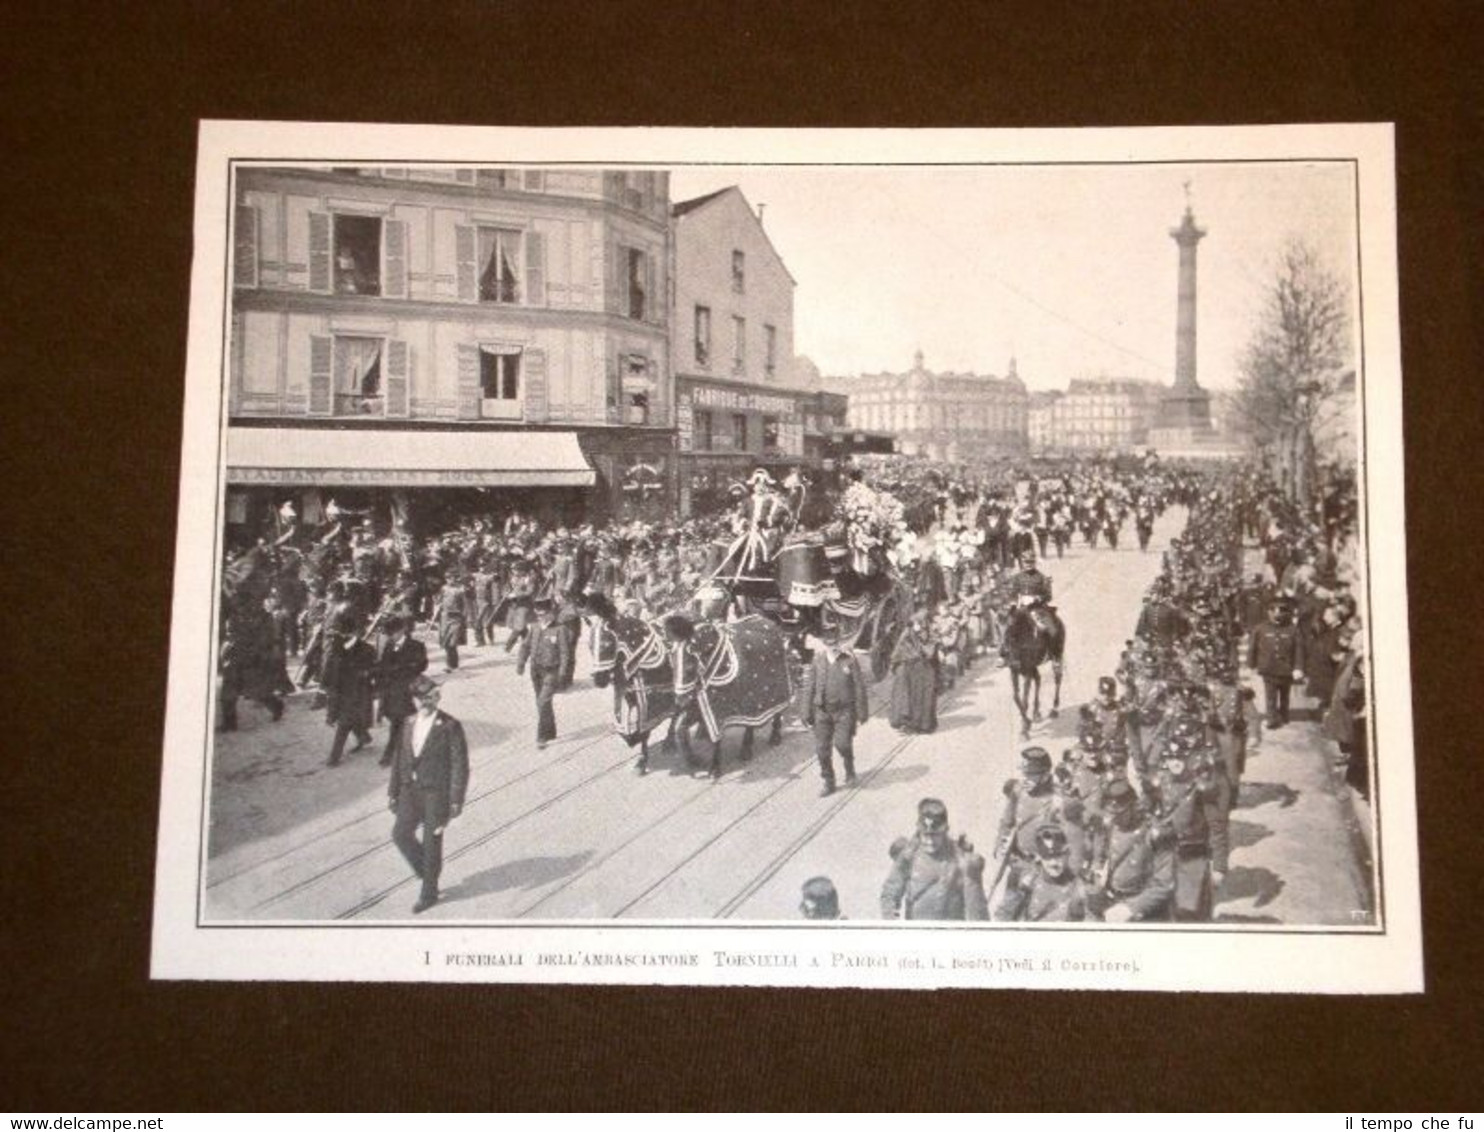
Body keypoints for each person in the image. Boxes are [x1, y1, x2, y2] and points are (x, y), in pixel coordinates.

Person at [388, 675, 469, 914]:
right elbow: (399, 758)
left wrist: (455, 799)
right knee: (400, 834)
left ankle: (429, 892)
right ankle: (427, 871)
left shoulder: (450, 726)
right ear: (415, 700)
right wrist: (393, 791)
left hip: (436, 793)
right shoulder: (408, 722)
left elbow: (459, 765)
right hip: (409, 791)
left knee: (432, 842)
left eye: (433, 696)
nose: (430, 702)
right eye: (424, 699)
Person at [880, 798, 989, 921]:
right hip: (917, 932)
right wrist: (892, 922)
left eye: (935, 835)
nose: (930, 841)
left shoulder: (960, 858)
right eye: (925, 835)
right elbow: (890, 893)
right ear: (919, 832)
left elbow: (975, 907)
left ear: (945, 832)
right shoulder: (908, 856)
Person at [1086, 779, 1173, 922]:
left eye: (1120, 813)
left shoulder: (1155, 833)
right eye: (1110, 812)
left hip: (1144, 910)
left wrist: (1132, 908)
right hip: (1111, 901)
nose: (1114, 819)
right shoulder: (1109, 826)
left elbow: (1164, 885)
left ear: (1135, 806)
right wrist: (1097, 872)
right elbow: (1099, 856)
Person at [991, 746, 1059, 921]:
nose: (1025, 779)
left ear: (1045, 775)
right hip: (1019, 862)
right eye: (1024, 774)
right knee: (1006, 914)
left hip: (1044, 870)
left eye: (1031, 775)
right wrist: (1000, 844)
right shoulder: (1018, 791)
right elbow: (1007, 821)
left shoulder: (1057, 801)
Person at [801, 631, 870, 796]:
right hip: (822, 711)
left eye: (835, 643)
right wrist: (805, 712)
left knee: (843, 744)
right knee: (822, 749)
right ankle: (828, 781)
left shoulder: (849, 660)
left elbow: (859, 686)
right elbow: (809, 687)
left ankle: (849, 768)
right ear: (825, 644)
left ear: (840, 642)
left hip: (844, 711)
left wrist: (862, 712)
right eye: (829, 644)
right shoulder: (818, 660)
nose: (833, 647)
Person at [373, 614, 429, 768]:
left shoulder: (416, 646)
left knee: (398, 724)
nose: (391, 637)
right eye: (389, 634)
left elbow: (421, 665)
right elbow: (383, 666)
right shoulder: (389, 645)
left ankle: (390, 755)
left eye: (393, 633)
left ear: (402, 631)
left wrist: (402, 669)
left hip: (407, 692)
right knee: (398, 722)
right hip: (391, 692)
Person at [1001, 824, 1087, 922]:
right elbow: (1003, 918)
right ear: (1039, 857)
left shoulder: (1078, 886)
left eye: (1058, 855)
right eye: (1047, 857)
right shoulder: (1027, 882)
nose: (1054, 862)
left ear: (1066, 854)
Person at [517, 598, 570, 750]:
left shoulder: (560, 629)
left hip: (551, 671)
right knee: (541, 702)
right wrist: (521, 663)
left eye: (543, 614)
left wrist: (562, 673)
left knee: (543, 702)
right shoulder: (534, 627)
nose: (540, 617)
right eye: (538, 615)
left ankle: (541, 737)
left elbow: (565, 653)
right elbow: (525, 646)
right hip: (536, 670)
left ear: (551, 613)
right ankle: (551, 730)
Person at [1247, 595, 1304, 728]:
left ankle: (1284, 714)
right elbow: (1252, 648)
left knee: (1285, 693)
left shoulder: (1293, 630)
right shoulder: (1260, 629)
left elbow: (1299, 650)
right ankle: (1271, 718)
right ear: (1268, 612)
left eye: (1281, 610)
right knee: (1270, 694)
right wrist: (1251, 665)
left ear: (1286, 612)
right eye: (1273, 610)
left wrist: (1298, 667)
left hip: (1286, 668)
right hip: (1268, 667)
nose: (1277, 614)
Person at [888, 608, 939, 734]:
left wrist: (921, 642)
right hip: (907, 670)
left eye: (919, 623)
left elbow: (930, 653)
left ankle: (922, 724)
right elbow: (897, 652)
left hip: (924, 670)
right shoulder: (907, 634)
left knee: (921, 697)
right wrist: (897, 665)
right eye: (915, 623)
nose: (917, 626)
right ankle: (905, 724)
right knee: (905, 697)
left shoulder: (930, 634)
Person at [435, 572, 468, 672]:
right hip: (445, 618)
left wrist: (464, 617)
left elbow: (465, 605)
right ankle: (449, 664)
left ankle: (454, 665)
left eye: (452, 578)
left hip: (456, 618)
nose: (450, 580)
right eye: (448, 578)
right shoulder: (443, 588)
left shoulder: (460, 589)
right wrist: (438, 604)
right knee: (446, 642)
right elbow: (438, 601)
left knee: (453, 642)